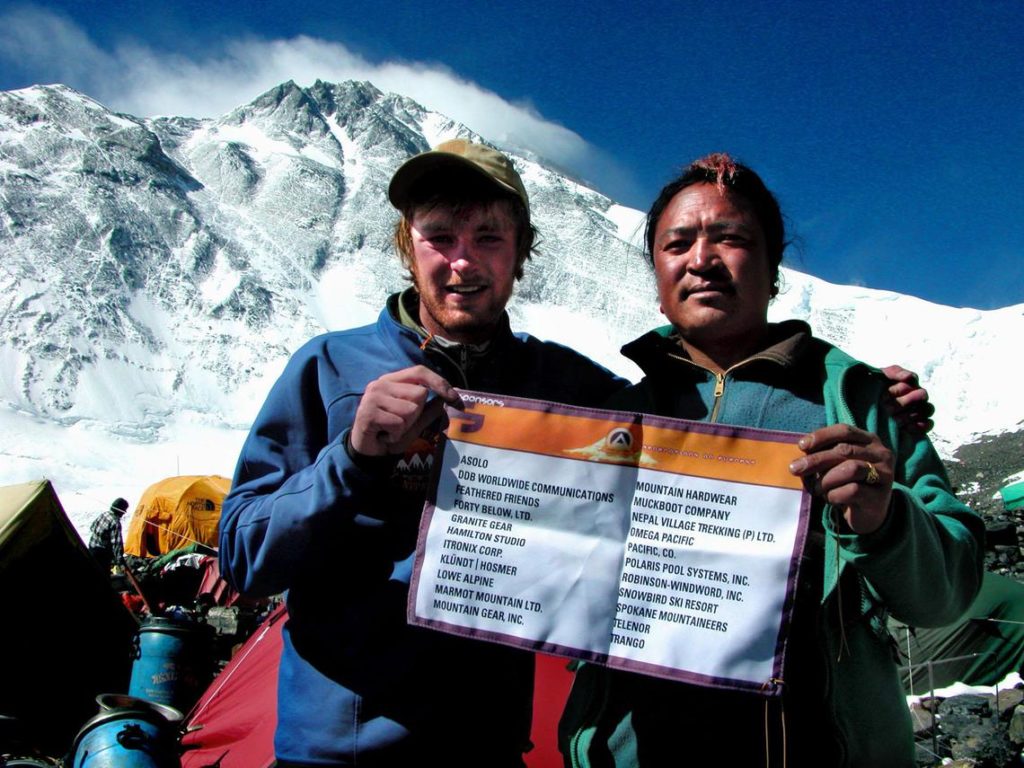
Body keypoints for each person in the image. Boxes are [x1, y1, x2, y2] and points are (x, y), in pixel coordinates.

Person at [219, 140, 938, 767]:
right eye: (440, 236)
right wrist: (351, 457)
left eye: (489, 236)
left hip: (489, 748)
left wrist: (879, 403)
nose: (463, 261)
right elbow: (244, 556)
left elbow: (690, 434)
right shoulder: (329, 369)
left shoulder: (567, 386)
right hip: (341, 751)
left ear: (522, 252)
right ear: (407, 246)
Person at [559, 153, 984, 768]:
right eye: (678, 244)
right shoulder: (610, 423)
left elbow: (948, 596)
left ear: (773, 266)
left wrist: (885, 518)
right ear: (656, 277)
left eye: (730, 238)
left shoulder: (860, 402)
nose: (702, 259)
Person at [88, 496, 128, 573]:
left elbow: (92, 527)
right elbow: (117, 544)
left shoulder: (104, 514)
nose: (124, 513)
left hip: (91, 548)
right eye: (124, 511)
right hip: (101, 555)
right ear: (120, 510)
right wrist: (120, 561)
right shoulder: (115, 522)